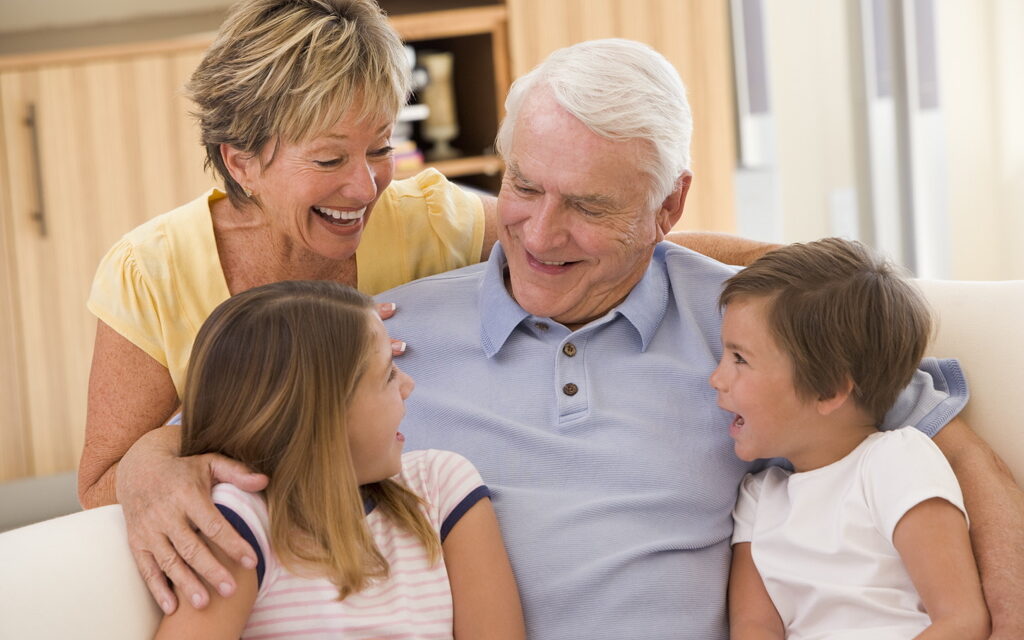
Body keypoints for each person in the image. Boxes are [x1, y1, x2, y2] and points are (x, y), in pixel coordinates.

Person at [110, 37, 1024, 639]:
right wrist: (155, 452)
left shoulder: (755, 331)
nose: (540, 236)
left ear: (669, 205)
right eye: (524, 189)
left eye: (589, 206)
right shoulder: (386, 337)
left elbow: (950, 446)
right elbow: (248, 418)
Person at [81, 0, 766, 611]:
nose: (362, 187)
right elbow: (105, 476)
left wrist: (826, 272)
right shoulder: (154, 270)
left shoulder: (429, 218)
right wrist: (152, 457)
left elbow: (595, 238)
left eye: (380, 148)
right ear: (241, 162)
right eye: (328, 160)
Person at [153, 280, 524, 638]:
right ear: (323, 416)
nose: (409, 386)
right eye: (389, 375)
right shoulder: (239, 525)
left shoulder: (441, 488)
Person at [714, 238, 989, 639]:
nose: (716, 379)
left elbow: (962, 620)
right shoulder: (758, 498)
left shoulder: (897, 462)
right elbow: (755, 627)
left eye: (739, 359)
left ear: (829, 391)